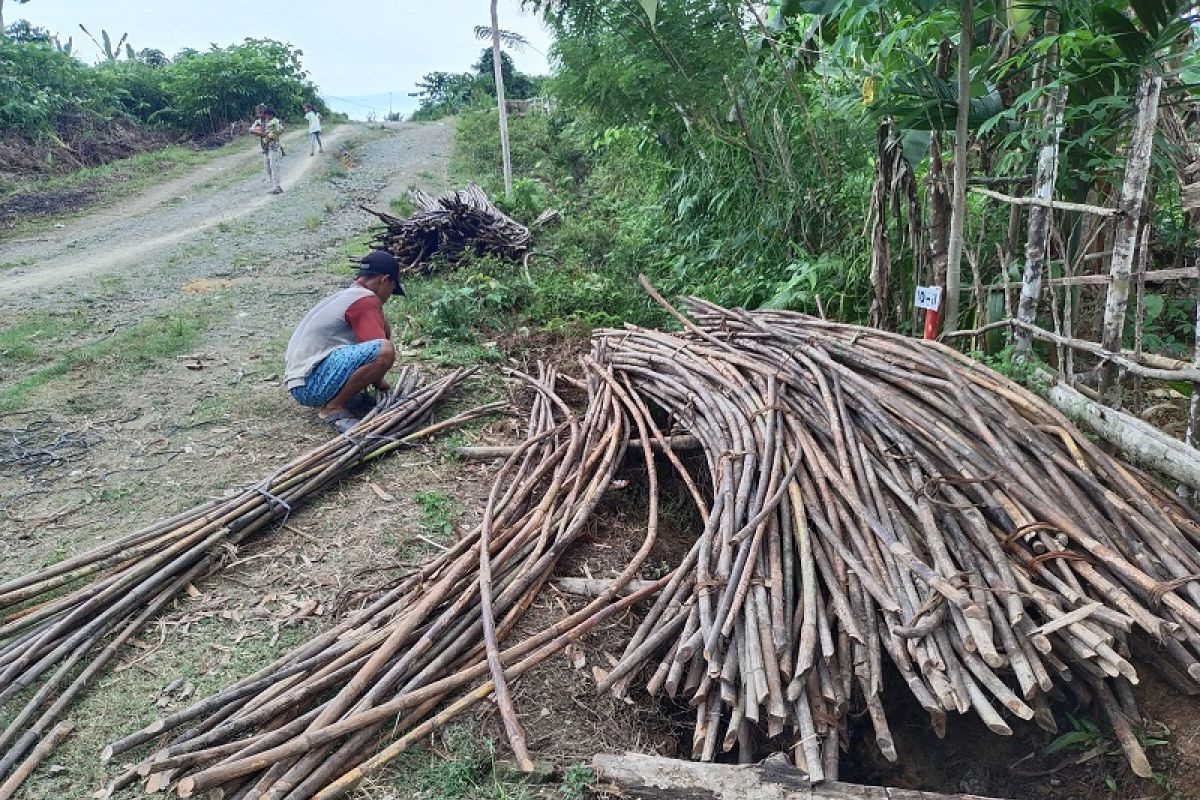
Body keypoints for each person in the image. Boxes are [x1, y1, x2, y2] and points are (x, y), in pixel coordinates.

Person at [284, 251, 405, 432]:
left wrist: (378, 382)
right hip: (311, 383)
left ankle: (344, 398)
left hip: (301, 381)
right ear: (385, 280)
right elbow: (378, 349)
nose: (389, 296)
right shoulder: (366, 300)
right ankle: (333, 408)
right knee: (385, 350)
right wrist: (379, 379)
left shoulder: (347, 295)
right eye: (392, 289)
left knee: (383, 333)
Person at [249, 104, 284, 194]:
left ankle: (275, 187)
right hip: (265, 148)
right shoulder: (258, 122)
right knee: (268, 167)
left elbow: (281, 129)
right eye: (259, 113)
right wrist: (262, 133)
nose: (261, 115)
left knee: (274, 166)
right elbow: (251, 130)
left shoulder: (274, 121)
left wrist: (267, 134)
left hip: (274, 146)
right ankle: (276, 186)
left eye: (262, 113)